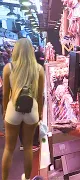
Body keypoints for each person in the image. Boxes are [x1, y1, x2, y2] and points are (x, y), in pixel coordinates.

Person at [1, 38, 45, 180]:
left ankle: (5, 178)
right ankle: (27, 178)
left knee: (8, 148)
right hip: (31, 109)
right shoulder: (39, 69)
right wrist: (39, 114)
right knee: (28, 147)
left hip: (13, 109)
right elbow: (39, 96)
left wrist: (4, 113)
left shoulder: (9, 68)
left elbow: (5, 94)